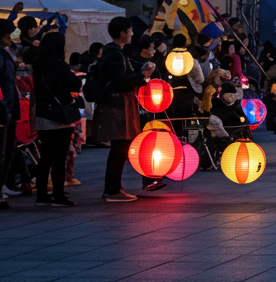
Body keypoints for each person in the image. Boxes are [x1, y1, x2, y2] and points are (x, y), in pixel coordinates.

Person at [92, 17, 160, 200]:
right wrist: (143, 76)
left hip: (116, 105)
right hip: (117, 106)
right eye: (130, 31)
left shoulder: (114, 52)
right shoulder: (115, 54)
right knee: (120, 148)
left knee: (119, 148)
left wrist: (141, 74)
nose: (132, 34)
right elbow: (120, 81)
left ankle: (112, 188)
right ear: (122, 33)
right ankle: (113, 190)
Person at [30, 32, 81, 206]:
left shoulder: (38, 66)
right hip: (59, 116)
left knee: (45, 157)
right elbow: (74, 84)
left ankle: (42, 195)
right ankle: (58, 195)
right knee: (59, 158)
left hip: (43, 114)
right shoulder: (59, 65)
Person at [0, 19, 18, 210]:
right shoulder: (1, 56)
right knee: (2, 152)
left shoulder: (5, 54)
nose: (10, 39)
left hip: (8, 108)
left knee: (5, 152)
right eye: (7, 36)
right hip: (3, 109)